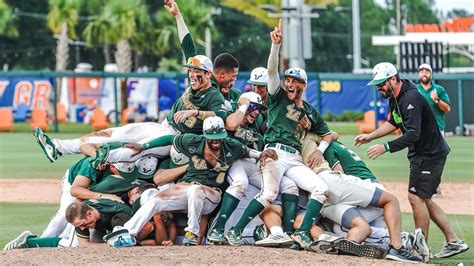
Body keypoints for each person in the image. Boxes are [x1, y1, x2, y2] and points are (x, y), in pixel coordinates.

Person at [225, 20, 332, 250]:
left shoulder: (311, 111)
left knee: (321, 189)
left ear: (304, 85)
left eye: (295, 81)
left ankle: (301, 234)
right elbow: (272, 71)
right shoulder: (278, 96)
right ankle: (235, 231)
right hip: (275, 153)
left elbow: (329, 133)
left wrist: (320, 151)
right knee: (270, 193)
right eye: (288, 80)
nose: (290, 84)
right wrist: (275, 46)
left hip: (294, 159)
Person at [355, 62, 469, 259]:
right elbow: (394, 122)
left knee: (416, 197)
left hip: (429, 154)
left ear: (392, 79)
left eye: (381, 84)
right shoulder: (396, 97)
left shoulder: (410, 97)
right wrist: (371, 136)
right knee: (423, 198)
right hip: (422, 154)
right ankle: (453, 241)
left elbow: (413, 134)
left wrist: (386, 147)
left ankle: (420, 249)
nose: (378, 88)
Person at [107, 116, 262, 246]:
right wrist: (144, 146)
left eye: (219, 138)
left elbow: (248, 152)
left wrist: (262, 154)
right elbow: (170, 139)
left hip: (212, 195)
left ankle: (192, 233)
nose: (216, 141)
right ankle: (128, 233)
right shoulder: (193, 141)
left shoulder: (231, 145)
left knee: (195, 190)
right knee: (155, 201)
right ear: (204, 134)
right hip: (187, 188)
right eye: (212, 138)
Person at [206, 92, 298, 247]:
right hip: (236, 161)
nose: (256, 112)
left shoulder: (255, 130)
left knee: (289, 185)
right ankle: (218, 229)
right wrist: (244, 105)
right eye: (253, 107)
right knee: (240, 182)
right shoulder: (231, 118)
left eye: (259, 109)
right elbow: (232, 125)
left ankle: (289, 234)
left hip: (255, 164)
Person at [165, 0, 239, 113]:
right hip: (174, 124)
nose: (193, 74)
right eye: (233, 76)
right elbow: (188, 46)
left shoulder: (232, 93)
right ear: (222, 74)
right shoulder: (200, 72)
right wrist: (178, 16)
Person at [416, 63, 451, 135]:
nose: (424, 74)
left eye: (427, 72)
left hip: (437, 129)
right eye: (421, 72)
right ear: (419, 75)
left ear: (431, 75)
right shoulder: (414, 89)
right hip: (420, 129)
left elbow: (447, 108)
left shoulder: (439, 89)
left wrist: (437, 100)